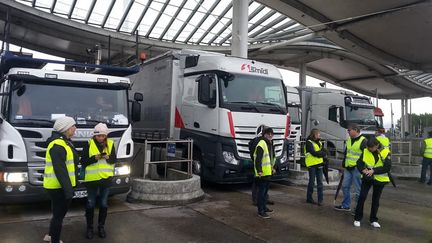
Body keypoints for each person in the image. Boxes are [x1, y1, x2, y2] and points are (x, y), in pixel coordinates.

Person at [43, 116, 78, 243]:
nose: (75, 129)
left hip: (58, 186)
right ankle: (55, 241)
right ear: (66, 129)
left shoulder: (63, 142)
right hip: (58, 188)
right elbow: (61, 171)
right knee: (59, 216)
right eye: (73, 126)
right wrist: (69, 192)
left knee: (57, 214)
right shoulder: (58, 145)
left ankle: (50, 236)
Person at [81, 123, 116, 239]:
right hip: (91, 181)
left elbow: (114, 160)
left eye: (103, 136)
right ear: (95, 135)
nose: (101, 138)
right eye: (98, 135)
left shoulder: (110, 144)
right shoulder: (88, 144)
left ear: (106, 136)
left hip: (105, 179)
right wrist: (94, 158)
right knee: (90, 204)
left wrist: (108, 158)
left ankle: (101, 227)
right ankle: (89, 228)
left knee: (104, 204)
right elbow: (83, 161)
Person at [353, 137, 391, 228]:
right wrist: (362, 169)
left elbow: (387, 167)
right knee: (362, 197)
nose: (369, 150)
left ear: (377, 146)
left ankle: (373, 220)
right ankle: (357, 218)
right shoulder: (366, 150)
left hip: (379, 180)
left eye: (371, 148)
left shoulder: (386, 152)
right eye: (368, 148)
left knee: (375, 200)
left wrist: (374, 170)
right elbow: (359, 162)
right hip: (367, 178)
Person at [334, 124, 367, 212]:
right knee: (345, 186)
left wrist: (361, 166)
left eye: (349, 130)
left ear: (355, 130)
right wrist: (344, 163)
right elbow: (347, 153)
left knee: (358, 190)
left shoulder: (363, 141)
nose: (348, 132)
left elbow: (366, 156)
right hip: (348, 167)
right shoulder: (349, 140)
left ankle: (358, 208)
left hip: (357, 169)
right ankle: (346, 205)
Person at [253, 126, 276, 219]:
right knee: (261, 192)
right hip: (262, 173)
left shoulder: (269, 143)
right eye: (268, 134)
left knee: (265, 192)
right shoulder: (262, 143)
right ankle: (260, 211)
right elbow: (257, 159)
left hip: (268, 172)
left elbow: (271, 157)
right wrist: (259, 171)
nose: (270, 135)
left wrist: (273, 167)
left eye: (271, 134)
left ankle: (264, 207)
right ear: (264, 134)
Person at [304, 128, 327, 206]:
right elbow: (314, 153)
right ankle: (309, 198)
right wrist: (321, 153)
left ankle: (320, 200)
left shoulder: (319, 142)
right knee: (312, 182)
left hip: (319, 164)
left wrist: (321, 153)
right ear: (314, 134)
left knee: (320, 183)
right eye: (318, 134)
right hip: (312, 165)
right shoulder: (308, 142)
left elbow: (325, 151)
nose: (319, 135)